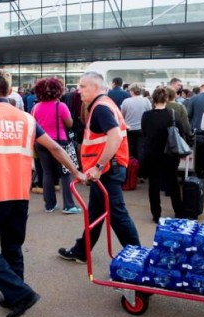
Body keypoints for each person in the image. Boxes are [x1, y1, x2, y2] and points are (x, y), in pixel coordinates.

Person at [0, 69, 84, 317]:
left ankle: (21, 293)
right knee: (12, 246)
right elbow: (56, 147)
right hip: (19, 193)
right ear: (10, 91)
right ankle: (12, 295)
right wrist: (76, 172)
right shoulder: (26, 118)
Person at [58, 71, 140, 264]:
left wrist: (98, 166)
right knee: (96, 212)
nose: (78, 91)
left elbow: (115, 136)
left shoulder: (101, 108)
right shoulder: (103, 104)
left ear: (96, 87)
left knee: (118, 216)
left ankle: (138, 257)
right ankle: (81, 251)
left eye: (82, 86)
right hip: (107, 170)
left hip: (107, 171)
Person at [30, 77, 82, 214]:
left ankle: (50, 205)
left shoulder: (35, 108)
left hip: (41, 143)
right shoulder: (61, 106)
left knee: (47, 173)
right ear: (58, 91)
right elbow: (69, 123)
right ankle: (69, 205)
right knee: (65, 173)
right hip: (60, 142)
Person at [142, 87, 185, 222]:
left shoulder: (146, 116)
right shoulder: (173, 115)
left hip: (152, 154)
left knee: (153, 185)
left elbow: (145, 133)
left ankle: (156, 214)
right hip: (170, 154)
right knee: (173, 183)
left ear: (153, 99)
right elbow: (181, 132)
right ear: (167, 99)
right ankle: (178, 211)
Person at [120, 83, 151, 166]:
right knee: (141, 151)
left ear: (132, 91)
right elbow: (149, 113)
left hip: (129, 129)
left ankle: (129, 169)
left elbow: (121, 116)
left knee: (129, 151)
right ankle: (140, 172)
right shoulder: (146, 101)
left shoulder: (126, 101)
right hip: (142, 129)